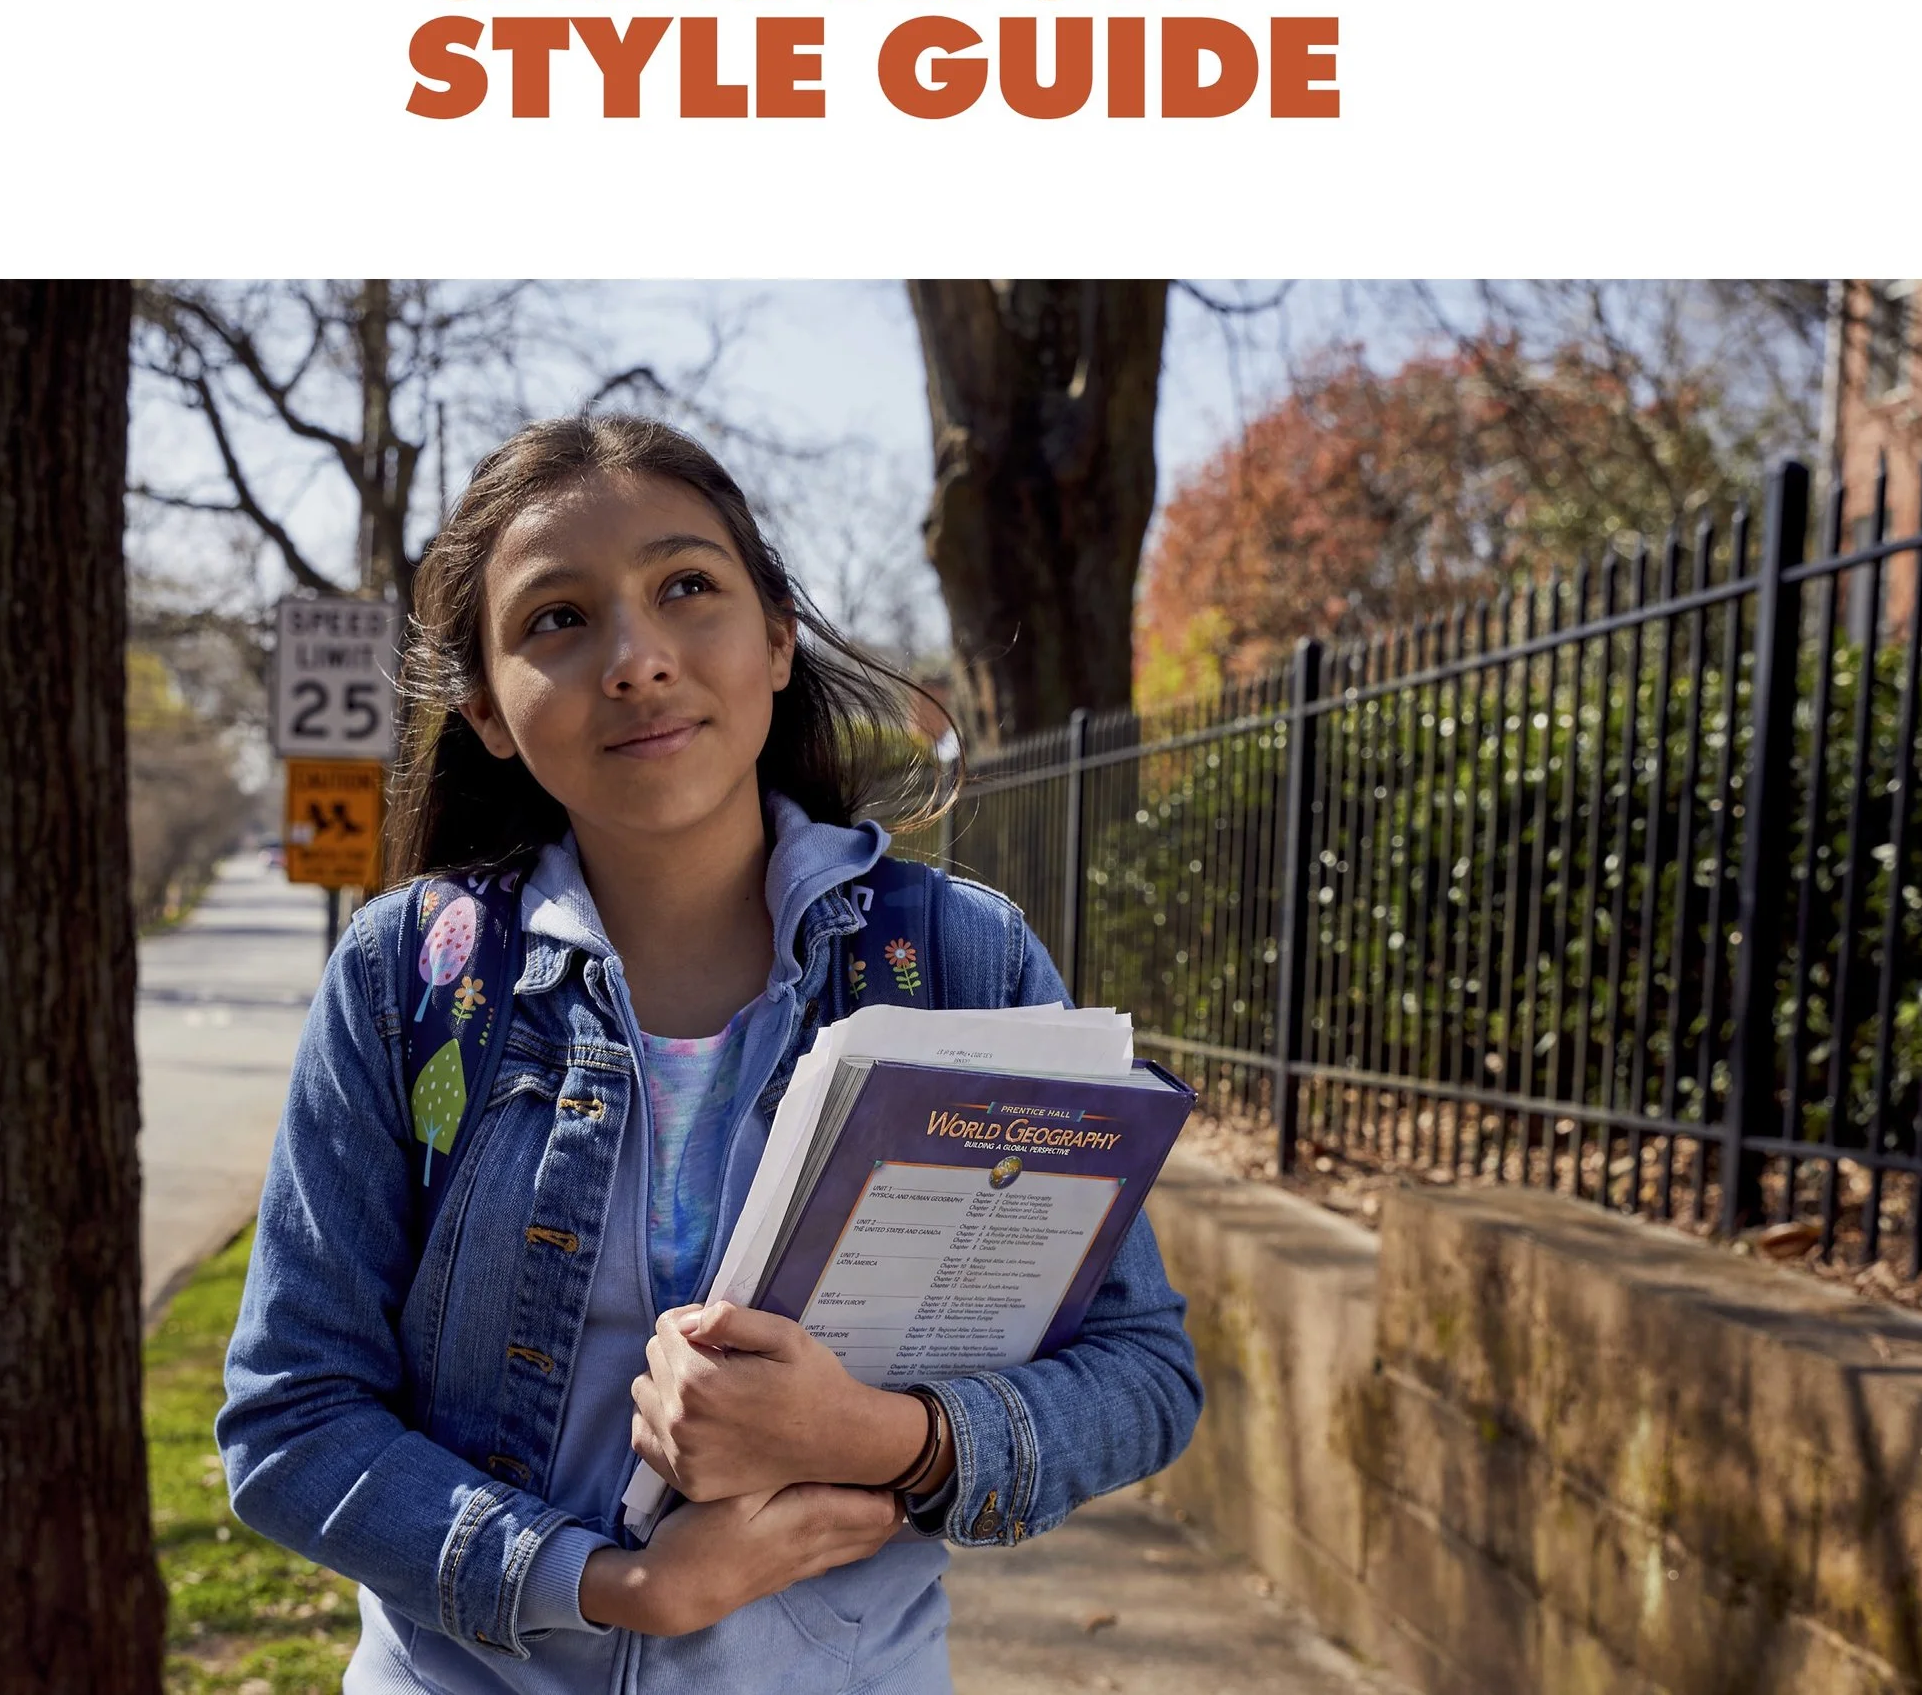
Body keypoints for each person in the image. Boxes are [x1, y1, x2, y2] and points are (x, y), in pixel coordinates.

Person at [218, 414, 1203, 1693]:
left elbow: (1142, 1376)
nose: (636, 660)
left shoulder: (961, 961)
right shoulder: (411, 979)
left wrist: (881, 1436)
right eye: (557, 620)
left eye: (687, 587)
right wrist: (610, 1584)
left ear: (778, 637)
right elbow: (292, 1417)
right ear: (489, 714)